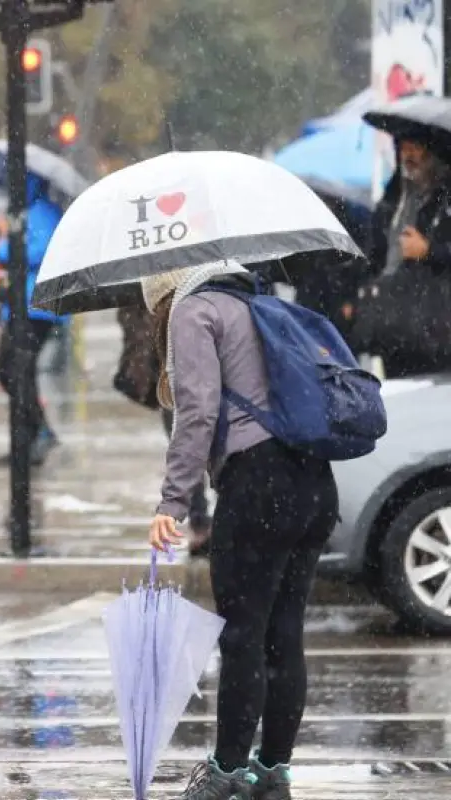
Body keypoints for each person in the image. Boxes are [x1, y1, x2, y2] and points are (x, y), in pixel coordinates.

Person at [143, 261, 338, 800]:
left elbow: (198, 414)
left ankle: (226, 772)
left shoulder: (192, 310)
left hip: (259, 486)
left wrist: (173, 501)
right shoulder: (261, 302)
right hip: (314, 483)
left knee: (243, 635)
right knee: (284, 632)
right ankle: (272, 769)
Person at [113, 304, 212, 555]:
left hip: (182, 364)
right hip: (170, 368)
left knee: (191, 443)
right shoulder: (144, 289)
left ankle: (206, 522)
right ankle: (201, 521)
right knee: (186, 443)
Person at [358, 135, 451, 376]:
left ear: (430, 152)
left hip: (436, 328)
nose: (408, 155)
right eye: (403, 148)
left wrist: (428, 251)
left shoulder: (444, 196)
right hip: (395, 325)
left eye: (415, 147)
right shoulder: (394, 196)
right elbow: (374, 254)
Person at [0, 174, 67, 466]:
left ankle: (39, 433)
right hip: (20, 305)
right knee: (9, 370)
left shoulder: (44, 213)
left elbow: (37, 250)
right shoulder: (25, 213)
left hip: (37, 307)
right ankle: (30, 436)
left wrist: (7, 245)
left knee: (17, 370)